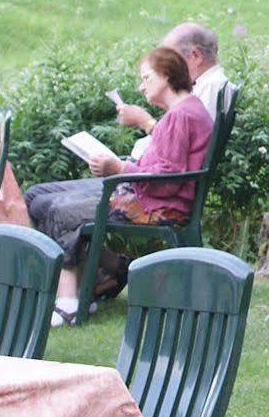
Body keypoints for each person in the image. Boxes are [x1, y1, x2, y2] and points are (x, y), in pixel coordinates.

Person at [26, 45, 215, 324]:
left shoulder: (181, 115)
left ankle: (69, 303)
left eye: (146, 77)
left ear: (166, 75)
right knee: (35, 195)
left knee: (58, 210)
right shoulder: (183, 111)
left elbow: (167, 180)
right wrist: (124, 165)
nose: (141, 86)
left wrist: (119, 168)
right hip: (141, 189)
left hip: (153, 203)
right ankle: (109, 270)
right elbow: (164, 162)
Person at [114, 22, 226, 155]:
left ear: (195, 56)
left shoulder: (212, 87)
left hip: (160, 174)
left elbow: (183, 145)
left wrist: (145, 122)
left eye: (171, 60)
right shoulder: (206, 85)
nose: (164, 67)